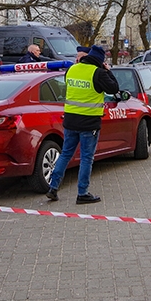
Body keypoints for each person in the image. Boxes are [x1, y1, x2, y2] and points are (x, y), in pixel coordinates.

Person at [45, 45, 120, 204]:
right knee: (87, 158)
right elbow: (114, 88)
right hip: (89, 123)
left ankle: (53, 187)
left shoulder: (72, 69)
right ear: (100, 61)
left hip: (70, 121)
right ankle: (82, 193)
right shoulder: (98, 73)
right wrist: (108, 71)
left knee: (65, 154)